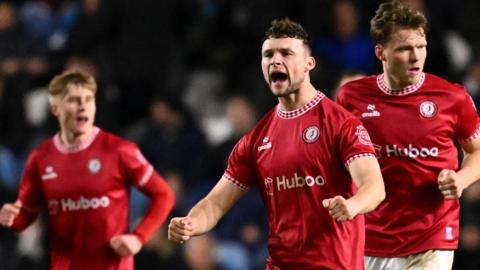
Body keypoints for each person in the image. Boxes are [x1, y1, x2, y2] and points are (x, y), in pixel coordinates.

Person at [168, 18, 385, 269]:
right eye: (268, 54)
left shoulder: (340, 124)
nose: (275, 60)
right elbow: (215, 203)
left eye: (286, 53)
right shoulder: (256, 139)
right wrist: (192, 222)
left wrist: (352, 205)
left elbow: (374, 186)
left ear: (308, 64)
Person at [336, 1, 480, 269]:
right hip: (372, 236)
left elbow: (477, 151)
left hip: (432, 235)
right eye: (404, 49)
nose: (416, 57)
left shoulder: (453, 97)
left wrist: (461, 179)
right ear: (381, 53)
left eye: (421, 47)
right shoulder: (351, 97)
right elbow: (336, 158)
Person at [0, 71, 175, 270]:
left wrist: (139, 237)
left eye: (88, 100)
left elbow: (164, 195)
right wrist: (14, 218)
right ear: (56, 108)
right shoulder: (40, 158)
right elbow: (28, 213)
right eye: (74, 100)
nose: (82, 107)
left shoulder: (120, 151)